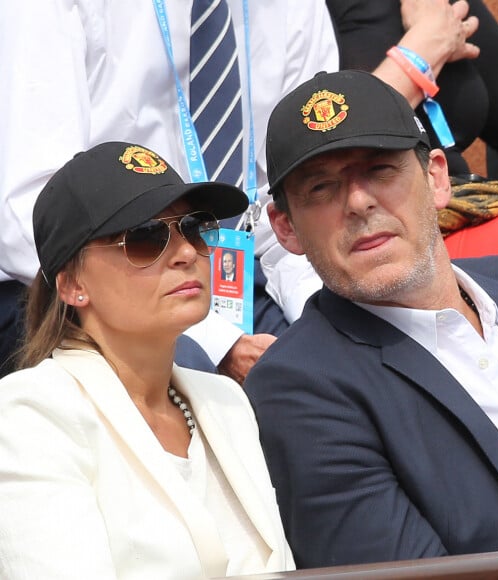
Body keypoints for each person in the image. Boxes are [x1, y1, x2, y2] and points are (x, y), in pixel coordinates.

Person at [243, 70, 498, 568]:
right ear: (285, 228)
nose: (358, 202)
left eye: (380, 169)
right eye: (321, 188)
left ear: (437, 177)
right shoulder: (297, 390)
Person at [0, 141, 294, 579]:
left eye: (195, 228)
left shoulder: (227, 401)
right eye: (144, 237)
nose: (185, 253)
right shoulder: (30, 413)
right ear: (72, 284)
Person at [0, 1, 338, 380]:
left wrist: (324, 316)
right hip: (100, 276)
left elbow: (297, 196)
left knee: (344, 363)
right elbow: (30, 222)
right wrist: (218, 342)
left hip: (239, 268)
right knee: (195, 379)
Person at [325, 0, 498, 261]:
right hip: (396, 245)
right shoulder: (292, 16)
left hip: (476, 213)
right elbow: (309, 148)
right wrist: (419, 56)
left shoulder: (430, 6)